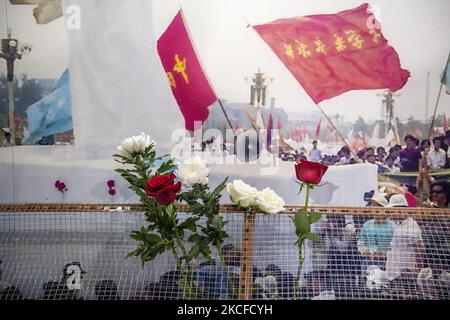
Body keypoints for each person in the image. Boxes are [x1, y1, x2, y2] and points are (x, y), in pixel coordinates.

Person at [385, 194, 424, 280]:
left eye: (393, 210)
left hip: (406, 269)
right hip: (392, 268)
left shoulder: (411, 225)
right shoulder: (393, 223)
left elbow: (419, 248)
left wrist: (417, 269)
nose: (391, 213)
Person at [357, 192, 395, 269]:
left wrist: (384, 254)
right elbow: (361, 241)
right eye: (372, 205)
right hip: (368, 261)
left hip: (386, 262)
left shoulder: (393, 226)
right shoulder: (367, 224)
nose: (372, 208)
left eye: (375, 205)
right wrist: (364, 251)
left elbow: (395, 246)